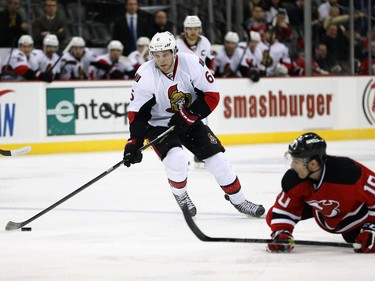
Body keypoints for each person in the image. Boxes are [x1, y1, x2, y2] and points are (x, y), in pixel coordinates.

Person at [122, 31, 265, 218]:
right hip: (158, 125)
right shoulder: (145, 74)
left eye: (165, 54)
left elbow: (212, 95)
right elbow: (138, 114)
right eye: (157, 55)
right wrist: (134, 141)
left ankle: (239, 200)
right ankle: (181, 196)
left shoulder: (191, 64)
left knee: (218, 161)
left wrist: (189, 115)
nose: (161, 60)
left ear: (174, 52)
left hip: (189, 117)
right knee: (177, 159)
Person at [266, 132, 375, 253]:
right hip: (321, 208)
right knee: (272, 216)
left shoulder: (349, 173)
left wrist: (371, 228)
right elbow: (284, 210)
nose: (292, 165)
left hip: (355, 215)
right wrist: (282, 232)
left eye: (296, 162)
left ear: (313, 164)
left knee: (354, 238)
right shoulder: (294, 178)